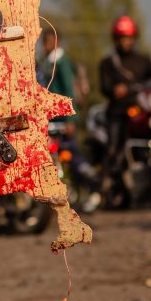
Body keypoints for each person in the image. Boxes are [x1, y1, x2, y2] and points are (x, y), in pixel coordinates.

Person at [38, 26, 100, 212]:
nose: (47, 45)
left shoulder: (61, 62)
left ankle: (93, 187)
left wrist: (71, 120)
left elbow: (69, 92)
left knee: (72, 155)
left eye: (50, 42)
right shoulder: (46, 62)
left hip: (64, 119)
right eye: (45, 42)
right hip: (52, 119)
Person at [98, 15, 151, 208]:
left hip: (142, 112)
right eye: (121, 38)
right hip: (117, 113)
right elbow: (104, 88)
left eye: (128, 37)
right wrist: (115, 90)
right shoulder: (108, 62)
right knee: (114, 149)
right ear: (116, 39)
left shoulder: (144, 61)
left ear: (134, 38)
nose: (125, 42)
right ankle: (108, 187)